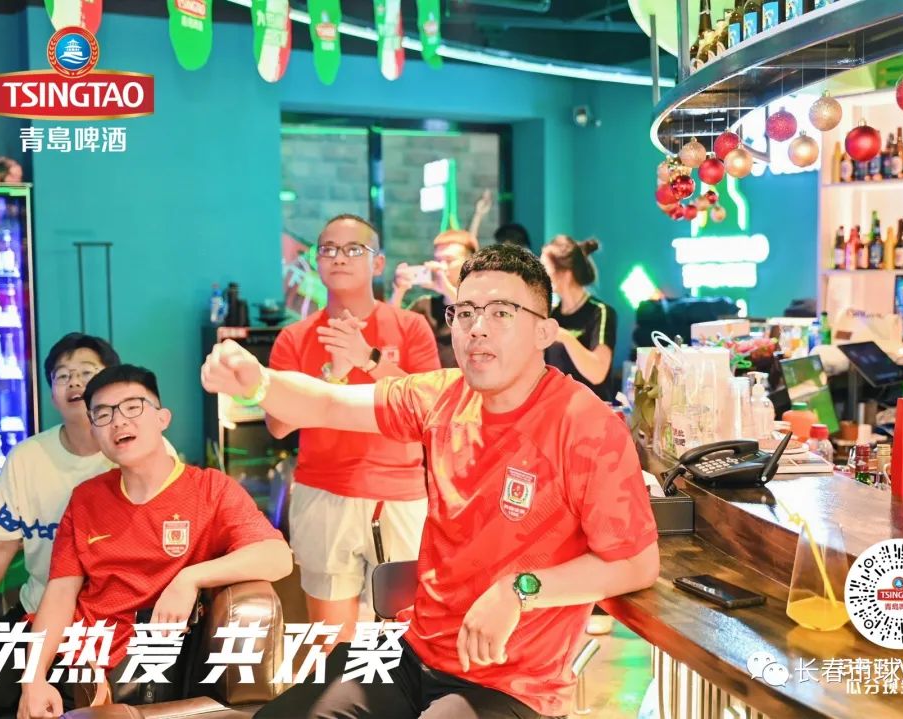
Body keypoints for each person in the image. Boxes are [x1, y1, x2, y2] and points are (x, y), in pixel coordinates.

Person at [202, 243, 660, 719]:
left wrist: (518, 590)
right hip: (412, 652)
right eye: (465, 312)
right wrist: (258, 382)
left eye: (501, 312)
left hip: (512, 683)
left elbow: (636, 563)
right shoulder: (442, 396)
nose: (477, 327)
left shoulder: (584, 424)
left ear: (544, 331)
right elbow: (328, 404)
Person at [0, 364, 294, 719]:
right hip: (63, 648)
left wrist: (190, 577)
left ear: (162, 419)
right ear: (94, 432)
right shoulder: (86, 498)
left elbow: (277, 556)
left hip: (122, 669)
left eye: (132, 407)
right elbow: (60, 594)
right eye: (103, 414)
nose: (118, 421)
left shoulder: (210, 490)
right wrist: (33, 679)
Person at [268, 214, 440, 648]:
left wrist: (368, 359)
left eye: (352, 250)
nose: (338, 258)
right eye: (328, 249)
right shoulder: (294, 338)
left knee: (405, 639)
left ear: (377, 263)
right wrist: (333, 374)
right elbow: (278, 424)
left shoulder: (410, 327)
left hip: (399, 493)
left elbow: (429, 408)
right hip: (324, 492)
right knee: (331, 643)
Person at [0, 333, 122, 673]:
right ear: (51, 393)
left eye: (87, 372)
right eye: (62, 375)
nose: (74, 382)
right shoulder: (27, 458)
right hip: (35, 615)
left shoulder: (137, 451)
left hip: (110, 626)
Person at [541, 235, 618, 403]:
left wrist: (565, 337)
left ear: (566, 274)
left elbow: (597, 373)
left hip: (593, 409)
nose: (542, 276)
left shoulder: (600, 312)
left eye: (546, 269)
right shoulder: (551, 314)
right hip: (558, 408)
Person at [390, 229, 479, 368]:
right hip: (429, 379)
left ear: (470, 264)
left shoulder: (484, 305)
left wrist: (447, 289)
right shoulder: (425, 306)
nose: (441, 267)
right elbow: (390, 331)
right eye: (438, 260)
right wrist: (398, 291)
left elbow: (474, 323)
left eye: (449, 260)